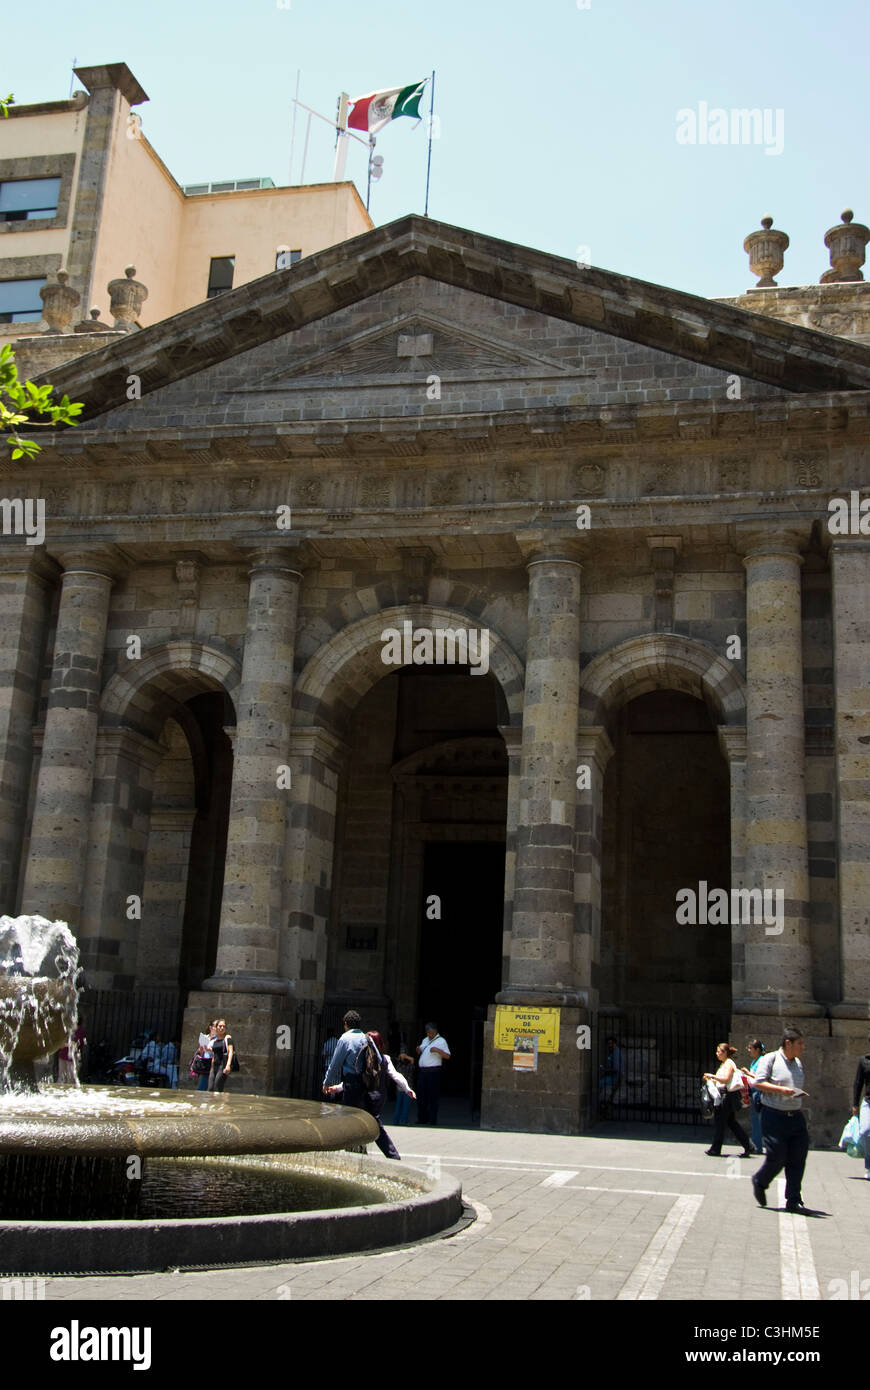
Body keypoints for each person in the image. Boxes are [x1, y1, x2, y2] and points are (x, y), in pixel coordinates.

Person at [325, 1030, 415, 1160]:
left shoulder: (362, 1057)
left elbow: (356, 1079)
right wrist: (407, 1088)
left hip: (365, 1097)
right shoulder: (385, 1059)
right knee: (369, 1124)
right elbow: (396, 1076)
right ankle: (377, 1153)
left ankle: (382, 1153)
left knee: (368, 1125)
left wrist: (338, 1088)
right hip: (378, 1098)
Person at [750, 1027, 811, 1212]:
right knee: (777, 1156)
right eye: (799, 1043)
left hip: (795, 1116)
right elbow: (758, 1083)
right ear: (788, 1043)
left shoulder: (798, 1063)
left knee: (798, 1158)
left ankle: (793, 1200)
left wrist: (797, 1094)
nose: (803, 1047)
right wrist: (781, 1090)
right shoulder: (771, 1059)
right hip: (774, 1115)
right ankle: (760, 1181)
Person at [702, 1042, 751, 1157]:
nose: (717, 1054)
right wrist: (710, 1079)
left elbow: (726, 1079)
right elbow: (720, 1081)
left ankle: (716, 1148)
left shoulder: (729, 1063)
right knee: (731, 1122)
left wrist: (713, 1076)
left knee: (720, 1122)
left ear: (725, 1053)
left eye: (719, 1051)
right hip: (724, 1094)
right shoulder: (724, 1064)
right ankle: (748, 1146)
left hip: (727, 1096)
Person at [322, 1010, 373, 1109]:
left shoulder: (345, 1038)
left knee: (349, 1112)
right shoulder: (367, 1038)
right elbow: (378, 1059)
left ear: (346, 1023)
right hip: (366, 1082)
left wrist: (326, 1082)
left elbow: (335, 1064)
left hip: (351, 1082)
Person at [415, 1022, 450, 1126]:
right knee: (421, 1096)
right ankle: (422, 1118)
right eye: (427, 1032)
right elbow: (421, 1050)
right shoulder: (425, 1040)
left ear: (434, 1031)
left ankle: (432, 1120)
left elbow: (448, 1056)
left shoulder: (441, 1041)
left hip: (433, 1072)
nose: (428, 1034)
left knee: (432, 1097)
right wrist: (418, 1050)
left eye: (430, 1032)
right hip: (423, 1072)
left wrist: (437, 1050)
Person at [851, 1032, 870, 1181]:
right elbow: (858, 1083)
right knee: (865, 1132)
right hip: (868, 1102)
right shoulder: (864, 1061)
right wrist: (855, 1104)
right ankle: (869, 1165)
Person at [741, 1039, 766, 1155]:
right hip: (753, 1091)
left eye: (751, 1048)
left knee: (757, 1120)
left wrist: (747, 1073)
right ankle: (756, 1144)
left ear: (757, 1050)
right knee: (755, 1119)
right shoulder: (754, 1061)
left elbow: (758, 1077)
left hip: (758, 1093)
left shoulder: (761, 1061)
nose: (749, 1051)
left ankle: (757, 1146)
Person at [208, 1019, 234, 1093]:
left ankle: (219, 1103)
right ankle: (212, 1104)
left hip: (223, 1065)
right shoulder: (214, 1040)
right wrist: (211, 1067)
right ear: (216, 1028)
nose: (222, 1028)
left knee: (217, 1087)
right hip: (214, 1066)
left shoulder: (227, 1038)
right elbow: (214, 1053)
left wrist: (228, 1065)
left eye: (224, 1026)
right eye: (220, 1026)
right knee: (210, 1088)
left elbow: (230, 1051)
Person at [393, 1043, 416, 1125]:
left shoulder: (408, 1063)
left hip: (405, 1087)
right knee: (401, 1105)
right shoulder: (398, 1064)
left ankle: (401, 1120)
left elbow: (412, 1067)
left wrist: (406, 1057)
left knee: (404, 1105)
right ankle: (401, 1121)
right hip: (404, 1087)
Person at [599, 1035, 623, 1112]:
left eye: (611, 1043)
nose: (610, 1045)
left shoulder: (615, 1052)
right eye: (608, 1043)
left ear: (615, 1044)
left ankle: (602, 1104)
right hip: (613, 1076)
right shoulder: (612, 1052)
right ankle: (604, 1105)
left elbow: (616, 1068)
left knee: (600, 1083)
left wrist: (606, 1070)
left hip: (615, 1077)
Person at [194, 1020, 217, 1091]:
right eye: (215, 1026)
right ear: (211, 1027)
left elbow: (219, 1051)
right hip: (204, 1063)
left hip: (212, 1063)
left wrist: (209, 1050)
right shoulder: (205, 1037)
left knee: (204, 1085)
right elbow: (200, 1051)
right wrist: (201, 1048)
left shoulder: (218, 1039)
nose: (217, 1028)